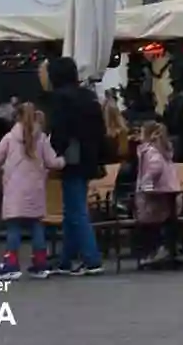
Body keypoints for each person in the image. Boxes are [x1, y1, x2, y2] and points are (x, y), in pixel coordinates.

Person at [43, 56, 109, 277]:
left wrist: (54, 152)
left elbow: (60, 130)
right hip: (89, 158)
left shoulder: (60, 98)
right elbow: (100, 130)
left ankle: (92, 259)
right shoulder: (89, 97)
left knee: (77, 210)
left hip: (72, 158)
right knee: (72, 209)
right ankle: (66, 260)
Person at [0, 103, 62, 280]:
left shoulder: (10, 138)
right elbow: (52, 161)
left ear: (16, 118)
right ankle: (40, 264)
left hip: (14, 190)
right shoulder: (41, 138)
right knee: (36, 225)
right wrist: (63, 160)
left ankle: (11, 263)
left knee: (14, 226)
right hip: (36, 190)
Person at [130, 120, 182, 268]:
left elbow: (154, 167)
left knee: (149, 222)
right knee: (165, 219)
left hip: (154, 193)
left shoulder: (150, 150)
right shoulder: (163, 149)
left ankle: (151, 252)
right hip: (169, 191)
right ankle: (166, 249)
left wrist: (146, 183)